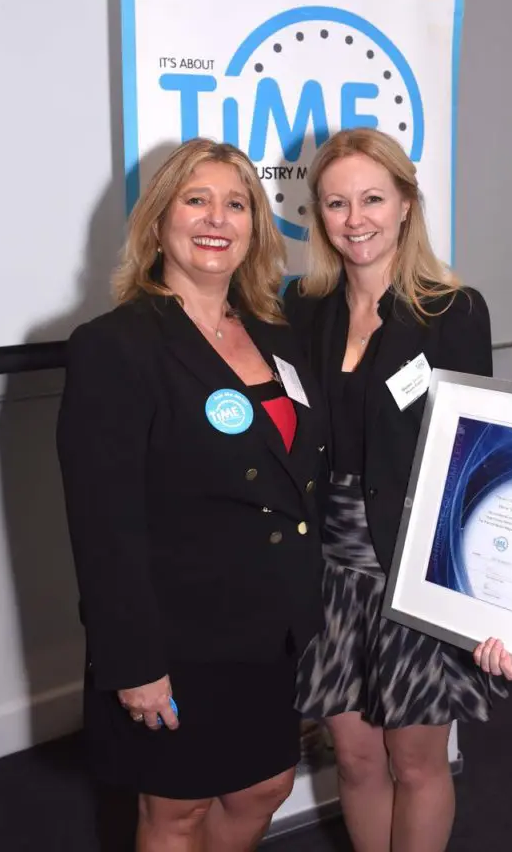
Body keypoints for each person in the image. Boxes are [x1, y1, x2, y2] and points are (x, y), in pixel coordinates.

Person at [56, 138, 327, 852]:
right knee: (175, 810)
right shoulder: (115, 345)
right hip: (177, 633)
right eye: (196, 200)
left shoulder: (275, 333)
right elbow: (103, 524)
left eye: (236, 203)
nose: (217, 218)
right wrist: (134, 662)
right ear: (158, 223)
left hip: (267, 631)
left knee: (263, 786)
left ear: (254, 227)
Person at [283, 128, 512, 852]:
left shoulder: (454, 312)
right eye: (335, 202)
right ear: (317, 214)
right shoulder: (303, 308)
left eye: (372, 199)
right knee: (353, 759)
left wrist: (489, 592)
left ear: (406, 204)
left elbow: (477, 461)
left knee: (414, 763)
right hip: (327, 568)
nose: (355, 219)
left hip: (413, 562)